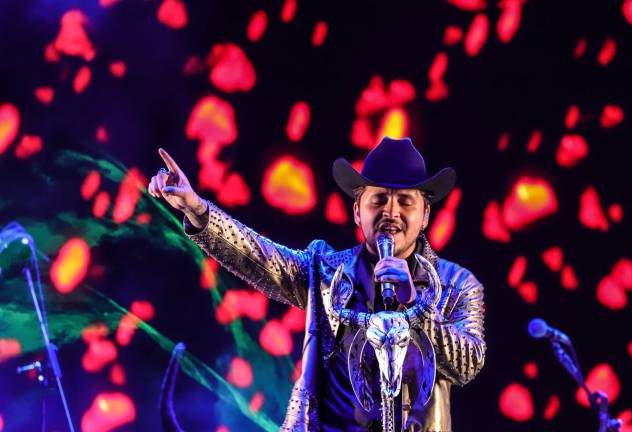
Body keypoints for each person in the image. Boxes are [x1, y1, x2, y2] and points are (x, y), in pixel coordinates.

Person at [148, 137, 486, 431]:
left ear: (425, 215)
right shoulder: (324, 271)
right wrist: (197, 209)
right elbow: (259, 257)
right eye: (379, 200)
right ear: (357, 211)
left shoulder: (457, 285)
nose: (391, 212)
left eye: (405, 202)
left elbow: (467, 364)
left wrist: (415, 305)